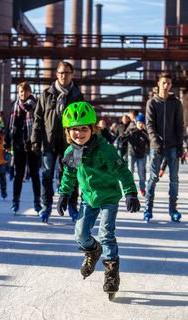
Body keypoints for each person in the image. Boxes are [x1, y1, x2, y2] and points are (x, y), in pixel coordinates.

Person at [56, 101, 140, 299]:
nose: (79, 134)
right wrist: (64, 194)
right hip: (88, 198)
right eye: (74, 130)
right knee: (79, 234)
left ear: (92, 129)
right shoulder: (73, 151)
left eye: (84, 129)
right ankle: (93, 251)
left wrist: (130, 192)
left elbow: (122, 170)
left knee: (106, 234)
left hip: (109, 197)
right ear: (68, 132)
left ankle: (111, 271)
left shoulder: (104, 149)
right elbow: (68, 174)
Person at [31, 60, 84, 223]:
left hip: (72, 142)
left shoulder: (77, 95)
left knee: (72, 175)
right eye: (61, 73)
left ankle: (72, 206)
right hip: (49, 141)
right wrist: (35, 140)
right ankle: (46, 207)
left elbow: (84, 121)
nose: (63, 76)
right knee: (46, 175)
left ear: (72, 74)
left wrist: (83, 141)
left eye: (66, 73)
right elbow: (38, 118)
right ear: (56, 74)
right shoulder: (46, 94)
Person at [144, 72, 184, 223]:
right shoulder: (152, 103)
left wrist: (180, 145)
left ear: (171, 85)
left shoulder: (176, 103)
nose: (166, 85)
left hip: (173, 146)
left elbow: (179, 126)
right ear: (158, 84)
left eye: (168, 83)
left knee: (174, 179)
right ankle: (148, 209)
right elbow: (150, 125)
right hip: (157, 147)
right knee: (153, 178)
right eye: (163, 83)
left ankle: (173, 210)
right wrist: (155, 142)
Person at [4, 82, 41, 214]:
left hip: (33, 144)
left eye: (25, 91)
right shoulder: (15, 106)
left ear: (30, 92)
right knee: (18, 175)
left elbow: (40, 124)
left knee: (35, 174)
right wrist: (7, 142)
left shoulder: (36, 105)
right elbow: (9, 125)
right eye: (20, 92)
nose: (23, 94)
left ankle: (37, 201)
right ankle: (15, 201)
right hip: (18, 144)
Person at [119, 113, 149, 196]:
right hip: (131, 154)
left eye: (142, 123)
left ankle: (142, 188)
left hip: (141, 155)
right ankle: (130, 189)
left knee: (141, 173)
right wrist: (129, 134)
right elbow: (122, 139)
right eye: (139, 122)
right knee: (130, 172)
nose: (140, 124)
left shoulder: (145, 133)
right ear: (136, 123)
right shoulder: (131, 130)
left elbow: (150, 142)